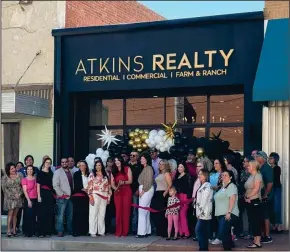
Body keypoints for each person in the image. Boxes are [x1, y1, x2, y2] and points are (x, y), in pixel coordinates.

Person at [214, 170, 239, 251]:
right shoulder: (222, 187)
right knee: (226, 232)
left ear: (230, 177)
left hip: (228, 214)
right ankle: (230, 245)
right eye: (222, 175)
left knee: (223, 232)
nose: (223, 177)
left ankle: (227, 248)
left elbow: (232, 198)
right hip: (221, 214)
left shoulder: (231, 186)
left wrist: (229, 212)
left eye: (226, 175)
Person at [88, 160, 111, 237]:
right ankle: (92, 231)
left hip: (104, 195)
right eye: (96, 165)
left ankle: (101, 231)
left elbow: (109, 187)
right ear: (94, 166)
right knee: (93, 214)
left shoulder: (106, 174)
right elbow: (89, 187)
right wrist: (90, 196)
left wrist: (109, 197)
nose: (98, 167)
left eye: (99, 165)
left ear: (102, 166)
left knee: (102, 214)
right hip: (95, 195)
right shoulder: (92, 175)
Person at [111, 156, 132, 237]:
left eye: (118, 160)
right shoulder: (113, 171)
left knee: (126, 211)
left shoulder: (127, 168)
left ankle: (125, 232)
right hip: (118, 192)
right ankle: (118, 231)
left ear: (121, 161)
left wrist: (123, 183)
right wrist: (116, 188)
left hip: (126, 191)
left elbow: (130, 180)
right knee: (118, 212)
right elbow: (112, 184)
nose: (117, 162)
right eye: (115, 160)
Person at [244, 160, 263, 248]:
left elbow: (256, 189)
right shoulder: (250, 176)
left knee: (256, 221)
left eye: (249, 166)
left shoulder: (257, 175)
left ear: (254, 167)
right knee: (252, 221)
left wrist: (248, 197)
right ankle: (255, 240)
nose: (247, 167)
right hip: (249, 201)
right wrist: (246, 197)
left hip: (254, 201)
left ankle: (258, 242)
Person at [255, 151, 273, 243]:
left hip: (265, 197)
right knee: (261, 215)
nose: (256, 157)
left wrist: (265, 194)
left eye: (257, 156)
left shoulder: (267, 168)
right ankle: (261, 234)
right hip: (259, 196)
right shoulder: (259, 168)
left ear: (262, 158)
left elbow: (270, 183)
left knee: (266, 216)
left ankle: (267, 236)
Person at [151, 159, 172, 237]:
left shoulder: (166, 173)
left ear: (165, 165)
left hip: (163, 193)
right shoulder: (159, 174)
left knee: (162, 214)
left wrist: (165, 193)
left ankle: (164, 232)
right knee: (156, 213)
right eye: (159, 164)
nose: (160, 165)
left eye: (162, 164)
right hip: (157, 192)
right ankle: (159, 230)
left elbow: (170, 184)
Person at [53, 157, 74, 237]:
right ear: (61, 163)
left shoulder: (71, 171)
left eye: (66, 162)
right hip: (62, 197)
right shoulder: (57, 172)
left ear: (68, 163)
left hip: (70, 197)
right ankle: (60, 230)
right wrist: (61, 194)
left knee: (70, 215)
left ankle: (70, 230)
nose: (64, 163)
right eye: (62, 162)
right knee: (60, 215)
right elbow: (55, 185)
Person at [2, 163, 23, 237]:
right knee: (10, 214)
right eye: (12, 168)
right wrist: (13, 195)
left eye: (14, 168)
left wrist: (19, 194)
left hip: (18, 197)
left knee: (15, 215)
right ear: (8, 170)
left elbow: (23, 186)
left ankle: (14, 230)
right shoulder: (5, 177)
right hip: (10, 198)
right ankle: (8, 230)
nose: (14, 169)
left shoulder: (20, 175)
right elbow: (4, 189)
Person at [136, 153, 154, 238]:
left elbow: (149, 181)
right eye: (141, 159)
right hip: (145, 189)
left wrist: (143, 190)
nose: (141, 160)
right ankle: (147, 230)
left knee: (142, 211)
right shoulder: (145, 168)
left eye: (143, 158)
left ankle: (141, 232)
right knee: (146, 211)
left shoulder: (149, 168)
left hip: (146, 189)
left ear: (147, 159)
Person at [195, 169, 213, 251]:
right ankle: (203, 248)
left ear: (205, 176)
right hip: (202, 212)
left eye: (201, 174)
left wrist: (199, 213)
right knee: (203, 232)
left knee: (198, 230)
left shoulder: (207, 185)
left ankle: (203, 248)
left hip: (204, 213)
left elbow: (204, 201)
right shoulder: (203, 185)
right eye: (199, 174)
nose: (199, 175)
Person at [173, 161, 192, 239]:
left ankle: (187, 233)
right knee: (178, 215)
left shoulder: (187, 175)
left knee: (182, 214)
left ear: (184, 168)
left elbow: (190, 187)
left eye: (181, 167)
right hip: (178, 197)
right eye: (178, 167)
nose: (179, 168)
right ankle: (181, 232)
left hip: (185, 197)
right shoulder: (177, 176)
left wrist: (188, 197)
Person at [37, 157, 55, 237]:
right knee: (42, 213)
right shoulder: (40, 173)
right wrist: (39, 196)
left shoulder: (51, 173)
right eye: (47, 162)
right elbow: (38, 185)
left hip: (50, 195)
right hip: (42, 193)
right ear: (44, 163)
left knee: (49, 213)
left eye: (49, 162)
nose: (48, 164)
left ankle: (48, 231)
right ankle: (41, 232)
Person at [209, 158, 225, 243]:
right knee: (214, 219)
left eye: (217, 163)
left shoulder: (224, 174)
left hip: (221, 199)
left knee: (220, 219)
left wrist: (217, 187)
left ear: (221, 164)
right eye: (214, 163)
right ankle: (214, 235)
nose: (215, 165)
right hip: (213, 199)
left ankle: (220, 237)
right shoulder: (212, 174)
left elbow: (225, 186)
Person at [72, 160, 89, 237]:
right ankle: (76, 231)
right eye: (80, 165)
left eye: (83, 165)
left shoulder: (89, 174)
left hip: (87, 196)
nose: (81, 167)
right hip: (78, 196)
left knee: (85, 213)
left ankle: (84, 230)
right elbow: (76, 185)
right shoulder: (76, 174)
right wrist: (83, 189)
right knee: (77, 214)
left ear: (86, 166)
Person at [268, 152, 283, 233]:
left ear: (275, 159)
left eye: (271, 158)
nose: (269, 159)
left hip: (276, 188)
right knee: (271, 206)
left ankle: (278, 225)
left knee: (277, 206)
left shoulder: (277, 168)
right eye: (269, 158)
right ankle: (274, 225)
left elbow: (274, 179)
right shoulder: (269, 168)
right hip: (271, 188)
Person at [237, 156, 251, 238]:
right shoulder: (242, 172)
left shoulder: (252, 172)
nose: (243, 163)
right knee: (241, 213)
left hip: (249, 195)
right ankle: (243, 231)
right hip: (242, 196)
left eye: (245, 161)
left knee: (248, 214)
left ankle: (248, 232)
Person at [21, 165, 37, 237]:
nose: (29, 170)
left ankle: (33, 231)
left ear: (33, 170)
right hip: (28, 199)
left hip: (35, 199)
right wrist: (28, 200)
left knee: (34, 216)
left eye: (31, 169)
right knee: (28, 216)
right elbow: (24, 191)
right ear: (26, 170)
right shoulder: (24, 179)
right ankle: (27, 232)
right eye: (28, 169)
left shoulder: (36, 178)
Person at [129, 151, 142, 235]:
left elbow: (141, 179)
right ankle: (128, 227)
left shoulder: (140, 166)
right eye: (130, 155)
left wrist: (138, 189)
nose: (132, 157)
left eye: (134, 155)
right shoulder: (126, 165)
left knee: (135, 210)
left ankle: (134, 228)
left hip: (135, 191)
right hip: (126, 190)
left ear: (137, 157)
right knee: (128, 209)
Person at [192, 161, 205, 241]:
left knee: (200, 219)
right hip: (195, 201)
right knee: (197, 219)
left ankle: (199, 235)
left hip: (200, 201)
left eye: (200, 166)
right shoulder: (197, 177)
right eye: (197, 166)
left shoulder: (203, 178)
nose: (198, 167)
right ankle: (198, 235)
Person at [105, 157, 115, 234]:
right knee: (106, 210)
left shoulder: (115, 171)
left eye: (112, 161)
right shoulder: (103, 170)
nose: (110, 163)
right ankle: (106, 227)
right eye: (109, 161)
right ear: (107, 162)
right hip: (105, 192)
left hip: (114, 192)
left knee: (112, 209)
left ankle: (112, 227)